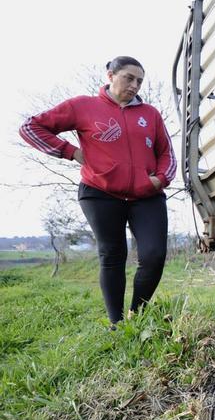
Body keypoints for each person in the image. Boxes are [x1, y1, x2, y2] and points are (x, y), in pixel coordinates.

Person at [19, 56, 176, 329]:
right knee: (112, 255)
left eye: (139, 81)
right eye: (129, 78)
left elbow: (167, 153)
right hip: (100, 193)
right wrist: (71, 152)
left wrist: (159, 180)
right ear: (110, 75)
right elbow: (30, 128)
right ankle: (117, 325)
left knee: (154, 255)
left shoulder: (150, 114)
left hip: (146, 196)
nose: (135, 85)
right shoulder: (83, 106)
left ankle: (137, 317)